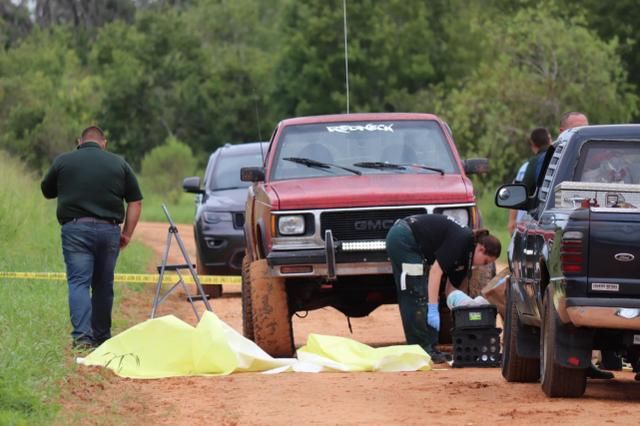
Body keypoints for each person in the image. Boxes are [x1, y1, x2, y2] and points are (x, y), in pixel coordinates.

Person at [41, 126, 143, 350]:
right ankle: (102, 337)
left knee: (79, 282)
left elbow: (46, 191)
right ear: (103, 143)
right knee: (103, 285)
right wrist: (126, 234)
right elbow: (135, 201)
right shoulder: (119, 163)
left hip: (76, 230)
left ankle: (82, 338)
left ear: (79, 141)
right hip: (109, 231)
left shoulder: (64, 161)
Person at [385, 214, 501, 363]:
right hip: (403, 237)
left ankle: (431, 348)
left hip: (413, 243)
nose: (481, 265)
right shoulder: (462, 240)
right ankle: (421, 350)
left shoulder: (466, 257)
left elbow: (450, 290)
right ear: (480, 249)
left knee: (427, 295)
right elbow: (436, 271)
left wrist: (464, 305)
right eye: (484, 261)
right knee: (416, 293)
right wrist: (432, 308)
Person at [521, 127, 552, 196]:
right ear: (549, 141)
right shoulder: (561, 154)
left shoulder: (534, 162)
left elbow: (524, 189)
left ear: (533, 144)